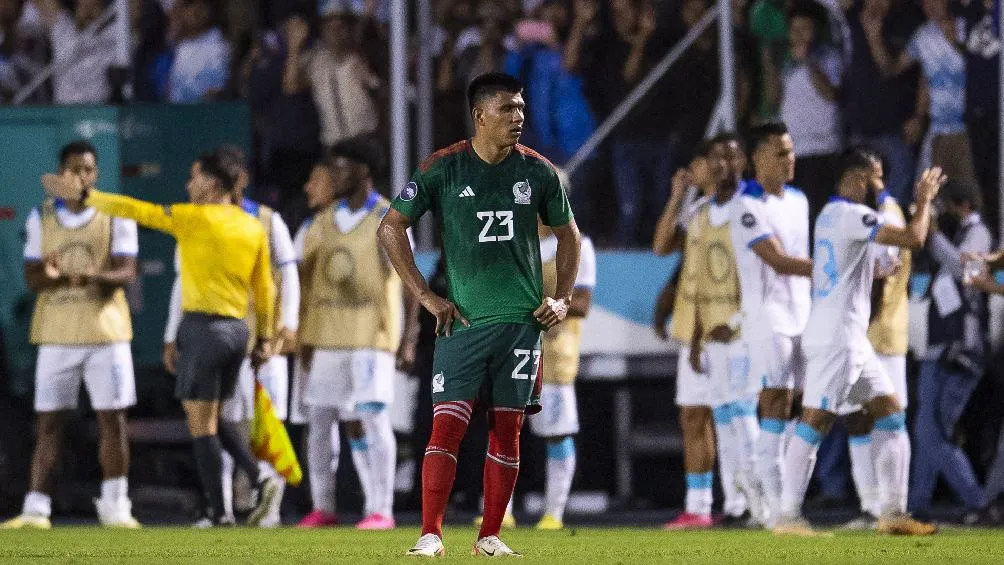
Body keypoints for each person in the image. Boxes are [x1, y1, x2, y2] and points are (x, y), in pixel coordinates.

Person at [379, 72, 580, 557]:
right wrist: (426, 296)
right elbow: (391, 227)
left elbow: (569, 235)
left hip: (522, 325)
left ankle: (490, 536)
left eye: (522, 109)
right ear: (480, 115)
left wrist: (563, 297)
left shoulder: (538, 171)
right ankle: (430, 534)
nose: (519, 118)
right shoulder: (442, 168)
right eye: (509, 109)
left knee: (507, 431)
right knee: (446, 427)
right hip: (462, 323)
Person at [39, 152, 282, 528]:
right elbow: (264, 288)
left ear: (213, 185)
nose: (188, 185)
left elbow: (139, 211)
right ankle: (253, 484)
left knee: (202, 426)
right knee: (217, 420)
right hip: (237, 332)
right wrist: (266, 337)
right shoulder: (252, 227)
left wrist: (87, 197)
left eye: (194, 177)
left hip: (204, 329)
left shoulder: (192, 218)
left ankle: (230, 505)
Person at [774, 151, 943, 536]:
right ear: (856, 178)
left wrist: (880, 268)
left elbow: (842, 268)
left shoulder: (829, 217)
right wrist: (925, 199)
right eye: (871, 179)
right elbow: (914, 238)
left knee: (891, 413)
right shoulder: (851, 215)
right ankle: (786, 516)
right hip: (839, 338)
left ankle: (892, 514)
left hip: (845, 337)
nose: (875, 187)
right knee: (815, 420)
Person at [2, 141, 139, 529]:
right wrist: (52, 275)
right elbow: (32, 277)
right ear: (61, 174)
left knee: (111, 420)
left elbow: (126, 272)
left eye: (89, 170)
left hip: (106, 335)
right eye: (76, 169)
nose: (83, 176)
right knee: (48, 422)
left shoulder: (116, 214)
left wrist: (89, 275)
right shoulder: (41, 217)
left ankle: (117, 507)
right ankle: (35, 510)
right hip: (57, 334)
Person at [163, 146, 298, 527]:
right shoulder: (196, 223)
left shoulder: (268, 221)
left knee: (262, 423)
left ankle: (263, 507)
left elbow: (287, 276)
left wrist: (281, 330)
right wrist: (172, 335)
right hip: (225, 335)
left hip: (257, 341)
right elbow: (181, 283)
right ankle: (222, 506)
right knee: (217, 420)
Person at [294, 140, 418, 530]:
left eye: (343, 168)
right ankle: (323, 506)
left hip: (371, 336)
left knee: (373, 418)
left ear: (364, 172)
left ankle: (381, 509)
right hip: (326, 334)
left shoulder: (388, 219)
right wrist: (302, 334)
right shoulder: (322, 221)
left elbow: (411, 282)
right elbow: (301, 278)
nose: (335, 176)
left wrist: (409, 338)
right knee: (319, 421)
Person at [731, 122, 812, 527]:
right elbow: (777, 260)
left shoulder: (799, 200)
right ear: (756, 159)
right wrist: (835, 271)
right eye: (780, 152)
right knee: (776, 405)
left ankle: (767, 486)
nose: (789, 159)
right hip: (768, 319)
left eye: (791, 150)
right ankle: (780, 511)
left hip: (804, 316)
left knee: (801, 409)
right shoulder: (746, 204)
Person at [690, 135, 769, 527]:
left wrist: (734, 323)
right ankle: (737, 505)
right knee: (723, 418)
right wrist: (696, 334)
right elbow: (700, 279)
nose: (723, 164)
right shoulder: (704, 213)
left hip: (742, 333)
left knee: (743, 413)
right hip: (711, 334)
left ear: (743, 163)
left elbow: (761, 277)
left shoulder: (749, 210)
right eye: (717, 157)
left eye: (731, 157)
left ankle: (763, 504)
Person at [909, 179, 995, 523]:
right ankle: (917, 504)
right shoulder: (953, 238)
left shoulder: (980, 235)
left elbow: (966, 272)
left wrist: (932, 236)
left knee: (933, 432)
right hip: (938, 345)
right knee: (925, 429)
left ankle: (978, 500)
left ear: (962, 206)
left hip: (961, 349)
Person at [836, 157, 914, 528]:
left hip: (878, 335)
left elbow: (884, 279)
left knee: (887, 418)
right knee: (856, 418)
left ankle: (889, 508)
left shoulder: (887, 217)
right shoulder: (874, 215)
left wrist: (855, 327)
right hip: (870, 333)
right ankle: (872, 507)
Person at [653, 141, 726, 530]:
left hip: (728, 329)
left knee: (734, 419)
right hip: (694, 330)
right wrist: (678, 196)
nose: (691, 169)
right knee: (693, 416)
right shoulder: (697, 209)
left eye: (695, 161)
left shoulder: (739, 208)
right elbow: (662, 246)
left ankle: (746, 502)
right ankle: (698, 507)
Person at [529, 220, 596, 531]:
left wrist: (552, 309)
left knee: (558, 431)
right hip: (518, 346)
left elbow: (582, 303)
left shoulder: (576, 244)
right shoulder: (516, 239)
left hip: (557, 351)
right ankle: (500, 511)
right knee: (503, 428)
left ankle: (553, 513)